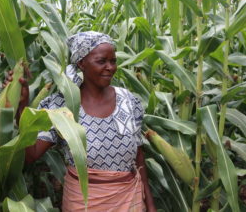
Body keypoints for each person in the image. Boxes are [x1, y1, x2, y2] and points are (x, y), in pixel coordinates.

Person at [23, 31, 156, 212]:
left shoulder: (128, 101)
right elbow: (31, 155)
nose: (110, 67)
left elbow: (138, 156)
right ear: (81, 63)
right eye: (102, 61)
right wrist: (21, 106)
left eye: (113, 61)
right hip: (83, 203)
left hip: (129, 199)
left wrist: (149, 204)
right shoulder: (62, 106)